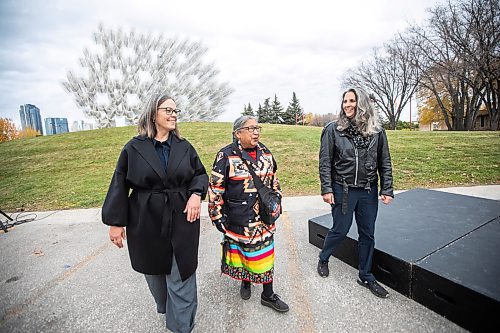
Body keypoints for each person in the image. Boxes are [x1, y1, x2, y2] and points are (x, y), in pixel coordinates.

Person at [102, 94, 208, 333]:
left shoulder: (185, 147)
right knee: (155, 275)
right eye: (167, 110)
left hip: (182, 217)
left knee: (182, 275)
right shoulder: (134, 148)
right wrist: (115, 223)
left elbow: (200, 174)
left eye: (175, 111)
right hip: (146, 219)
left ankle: (181, 327)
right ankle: (167, 307)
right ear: (153, 114)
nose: (173, 115)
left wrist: (195, 194)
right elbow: (119, 183)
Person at [317, 88, 394, 298]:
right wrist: (327, 189)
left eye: (352, 100)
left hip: (368, 190)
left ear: (362, 104)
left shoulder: (378, 131)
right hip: (343, 189)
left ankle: (366, 275)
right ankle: (324, 257)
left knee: (367, 233)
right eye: (345, 101)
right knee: (340, 230)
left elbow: (384, 161)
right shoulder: (333, 130)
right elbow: (325, 162)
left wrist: (387, 187)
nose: (347, 105)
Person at [208, 116, 289, 312]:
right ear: (238, 133)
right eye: (251, 128)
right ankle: (246, 281)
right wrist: (217, 216)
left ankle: (268, 295)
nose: (256, 132)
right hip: (239, 220)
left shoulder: (266, 153)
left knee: (266, 256)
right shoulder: (225, 156)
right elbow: (215, 189)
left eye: (257, 128)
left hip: (264, 220)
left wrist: (276, 199)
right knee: (244, 253)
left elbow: (274, 181)